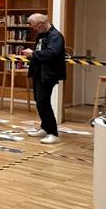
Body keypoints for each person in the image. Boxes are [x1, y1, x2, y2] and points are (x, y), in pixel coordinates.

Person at [22, 13, 66, 144]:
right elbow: (41, 52)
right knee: (39, 101)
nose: (34, 29)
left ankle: (53, 133)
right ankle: (45, 128)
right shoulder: (41, 35)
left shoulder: (56, 36)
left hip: (48, 74)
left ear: (41, 23)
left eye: (34, 26)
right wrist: (32, 55)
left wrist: (33, 53)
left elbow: (51, 53)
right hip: (38, 73)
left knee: (43, 102)